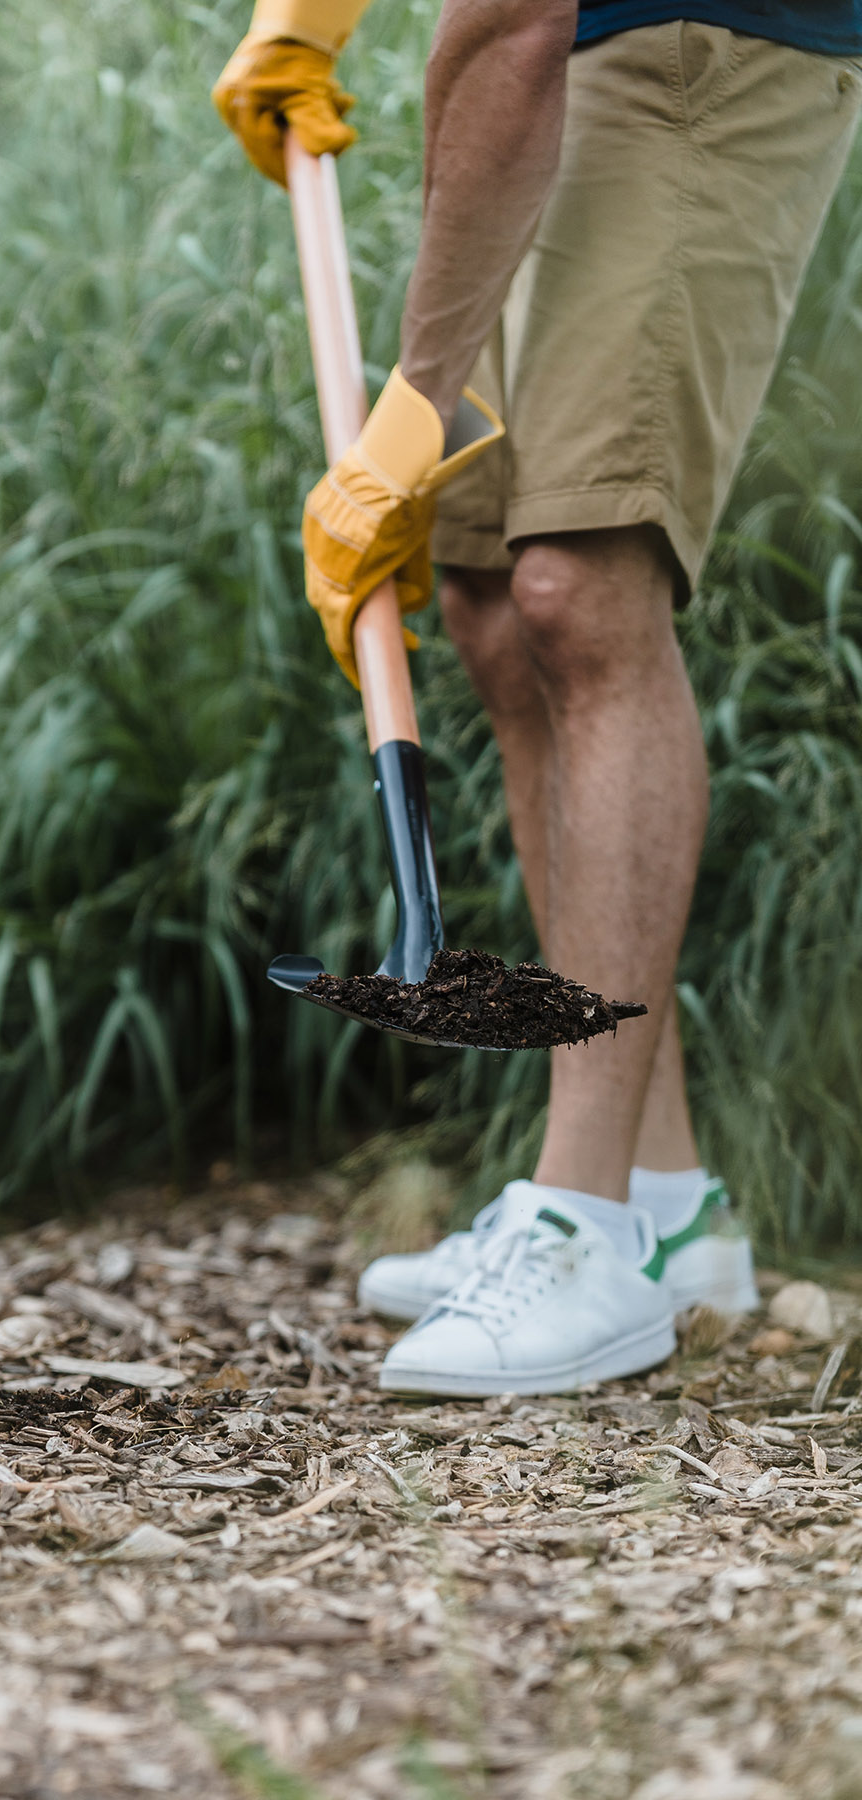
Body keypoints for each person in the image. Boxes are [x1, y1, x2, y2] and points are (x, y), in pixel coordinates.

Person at [213, 0, 862, 1396]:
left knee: (582, 586)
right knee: (495, 611)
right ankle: (666, 1203)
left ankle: (580, 1222)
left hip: (707, 49)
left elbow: (507, 22)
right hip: (579, 68)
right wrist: (308, 18)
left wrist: (413, 410)